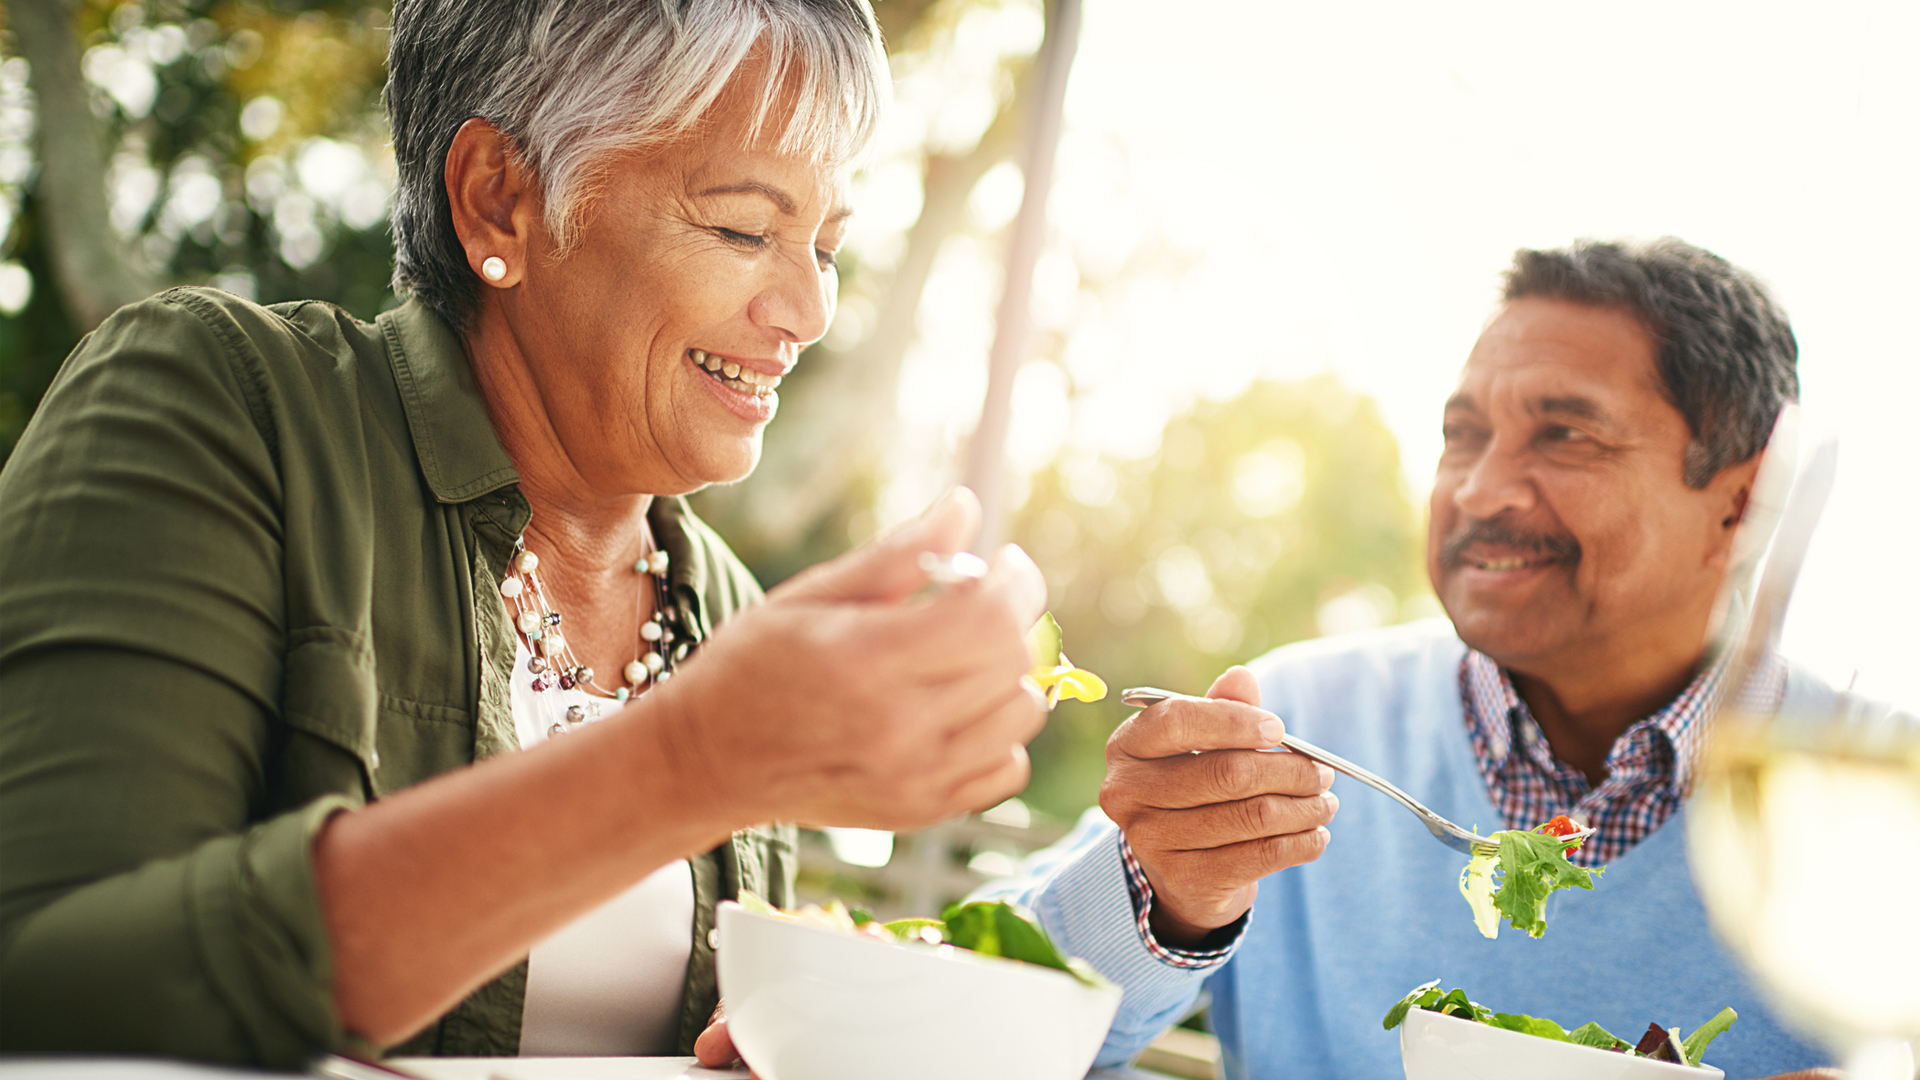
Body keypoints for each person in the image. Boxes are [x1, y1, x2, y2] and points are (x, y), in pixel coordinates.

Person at [0, 0, 1047, 1067]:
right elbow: (47, 982)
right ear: (501, 201)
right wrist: (684, 763)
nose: (810, 309)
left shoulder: (727, 604)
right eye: (744, 229)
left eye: (824, 244)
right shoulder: (228, 409)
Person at [980, 238, 1834, 1079]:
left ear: (1743, 502)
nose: (1477, 489)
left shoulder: (1879, 799)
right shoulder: (1294, 723)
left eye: (1565, 434)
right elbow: (977, 1022)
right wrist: (1166, 901)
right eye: (1462, 435)